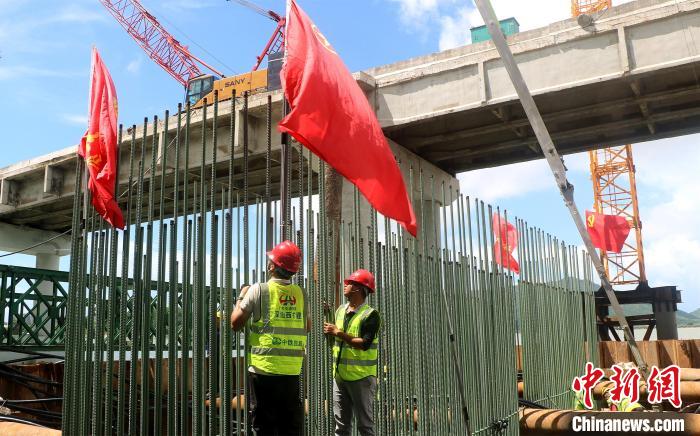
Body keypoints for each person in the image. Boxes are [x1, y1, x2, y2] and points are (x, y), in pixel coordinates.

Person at [231, 240, 310, 436]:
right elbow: (306, 327)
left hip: (263, 371)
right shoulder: (301, 293)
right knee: (289, 427)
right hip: (292, 372)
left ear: (273, 266)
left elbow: (235, 323)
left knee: (264, 427)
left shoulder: (258, 290)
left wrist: (242, 295)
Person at [323, 269, 381, 436]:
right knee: (341, 427)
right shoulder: (341, 310)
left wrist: (337, 333)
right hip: (340, 376)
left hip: (361, 378)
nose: (346, 285)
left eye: (350, 283)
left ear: (359, 288)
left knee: (365, 426)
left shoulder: (371, 315)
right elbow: (336, 340)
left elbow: (364, 344)